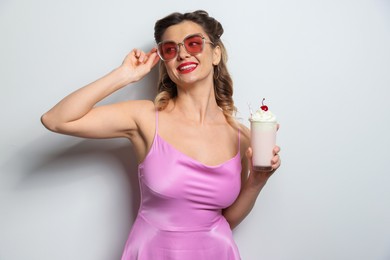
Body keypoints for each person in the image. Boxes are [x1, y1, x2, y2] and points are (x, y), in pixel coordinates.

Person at [41, 10, 281, 260]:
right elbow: (56, 119)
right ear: (165, 62)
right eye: (170, 49)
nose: (183, 53)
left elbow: (226, 219)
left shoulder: (242, 136)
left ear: (216, 53)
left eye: (194, 43)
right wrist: (125, 75)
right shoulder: (145, 118)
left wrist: (257, 181)